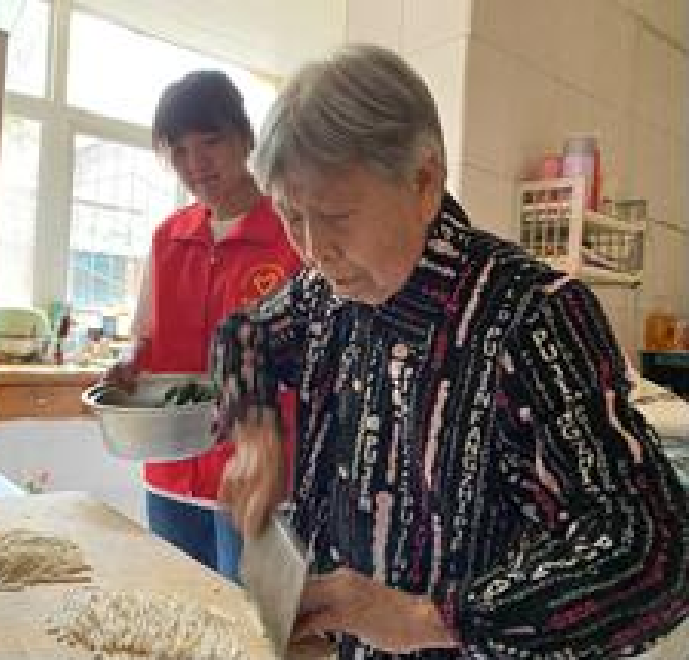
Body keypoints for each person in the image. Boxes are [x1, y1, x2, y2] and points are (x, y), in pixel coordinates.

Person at [212, 44, 689, 659]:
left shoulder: (532, 316)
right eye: (291, 217)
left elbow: (653, 554)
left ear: (424, 183)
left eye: (336, 215)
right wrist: (256, 435)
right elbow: (243, 334)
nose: (313, 250)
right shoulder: (323, 294)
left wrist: (425, 618)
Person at [102, 70, 301, 583]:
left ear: (246, 138)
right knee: (182, 602)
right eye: (180, 151)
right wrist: (128, 361)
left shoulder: (292, 231)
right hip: (170, 466)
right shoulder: (169, 236)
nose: (196, 164)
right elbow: (144, 336)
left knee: (249, 612)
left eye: (211, 143)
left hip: (253, 470)